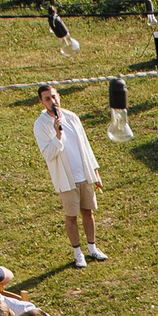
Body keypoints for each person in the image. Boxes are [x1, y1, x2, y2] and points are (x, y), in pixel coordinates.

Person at [32, 84, 105, 269]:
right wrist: (57, 134)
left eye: (54, 97)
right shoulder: (40, 125)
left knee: (88, 212)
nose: (52, 101)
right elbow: (48, 154)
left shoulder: (72, 117)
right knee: (71, 216)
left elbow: (86, 145)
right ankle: (77, 253)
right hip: (65, 178)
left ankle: (92, 248)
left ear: (59, 96)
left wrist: (95, 171)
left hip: (84, 173)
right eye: (47, 98)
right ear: (41, 102)